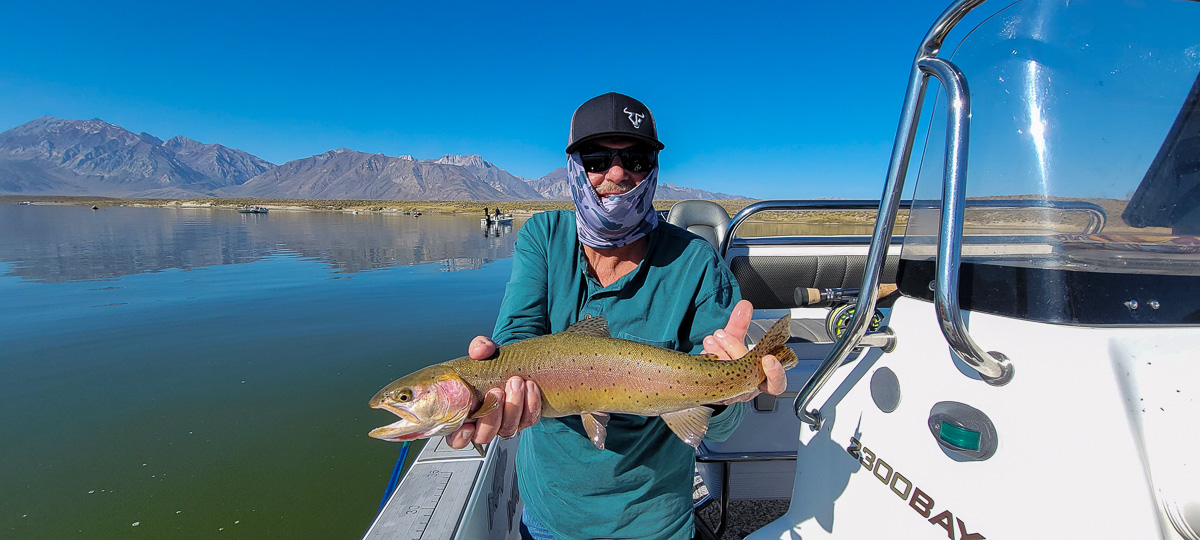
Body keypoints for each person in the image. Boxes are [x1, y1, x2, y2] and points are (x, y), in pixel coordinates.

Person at [446, 92, 787, 540]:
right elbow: (516, 339)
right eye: (597, 158)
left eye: (637, 159)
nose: (617, 173)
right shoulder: (543, 237)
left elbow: (722, 425)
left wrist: (736, 383)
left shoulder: (696, 262)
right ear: (573, 165)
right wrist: (495, 383)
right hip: (551, 513)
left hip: (655, 520)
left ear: (654, 167)